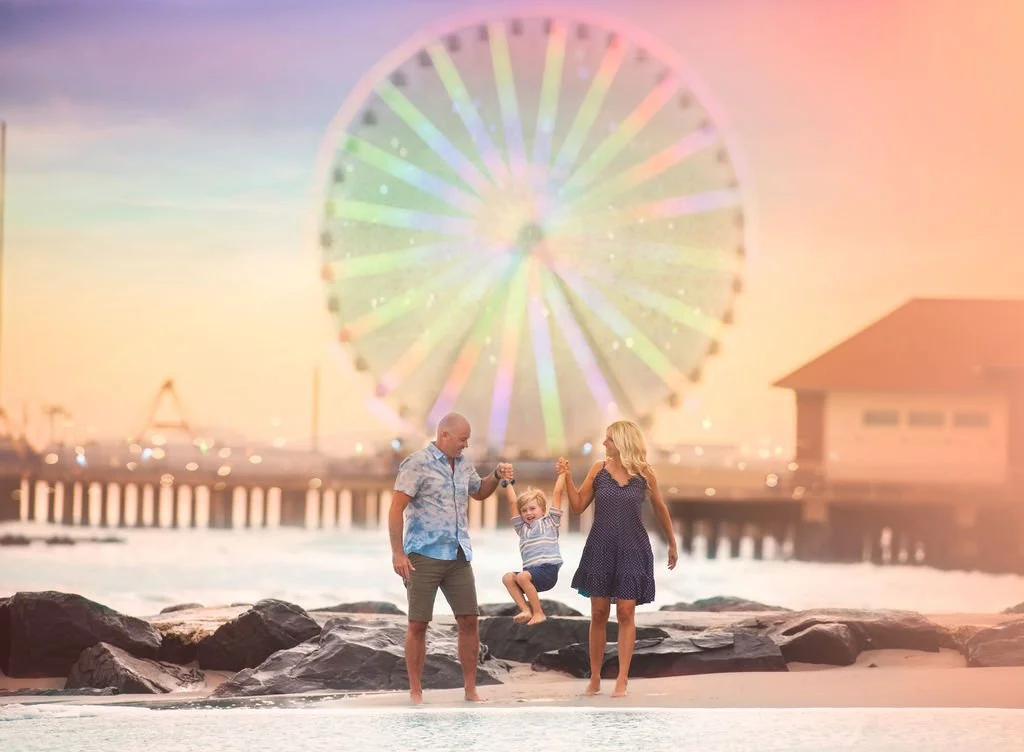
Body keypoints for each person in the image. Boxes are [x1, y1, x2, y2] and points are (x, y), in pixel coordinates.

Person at [388, 412, 513, 705]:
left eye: (467, 440)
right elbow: (396, 509)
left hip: (458, 554)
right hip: (423, 554)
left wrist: (495, 476)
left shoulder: (464, 464)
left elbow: (479, 492)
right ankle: (416, 691)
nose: (466, 445)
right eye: (462, 439)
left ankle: (470, 689)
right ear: (444, 435)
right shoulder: (416, 463)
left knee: (470, 620)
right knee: (418, 624)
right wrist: (397, 552)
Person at [562, 420, 678, 698]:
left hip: (632, 548)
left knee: (626, 612)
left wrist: (672, 542)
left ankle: (622, 679)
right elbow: (578, 507)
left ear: (623, 442)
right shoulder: (598, 471)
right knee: (599, 613)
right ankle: (595, 677)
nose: (604, 444)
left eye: (609, 439)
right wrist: (567, 477)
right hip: (600, 547)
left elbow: (660, 508)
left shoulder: (645, 474)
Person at [500, 461, 567, 626]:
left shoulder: (551, 522)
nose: (528, 513)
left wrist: (563, 473)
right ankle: (526, 610)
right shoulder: (522, 529)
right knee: (508, 578)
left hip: (548, 571)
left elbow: (558, 492)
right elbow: (512, 503)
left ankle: (539, 613)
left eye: (532, 509)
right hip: (531, 575)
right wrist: (507, 482)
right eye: (524, 510)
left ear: (542, 510)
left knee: (522, 576)